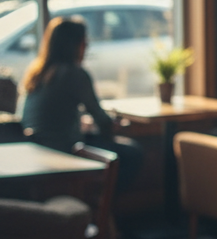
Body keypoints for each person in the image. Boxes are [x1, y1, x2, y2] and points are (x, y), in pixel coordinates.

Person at [20, 16, 142, 189]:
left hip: (37, 151)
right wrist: (114, 127)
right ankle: (101, 206)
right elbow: (102, 121)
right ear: (76, 45)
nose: (87, 46)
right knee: (132, 152)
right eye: (85, 41)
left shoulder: (38, 73)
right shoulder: (74, 74)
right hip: (66, 151)